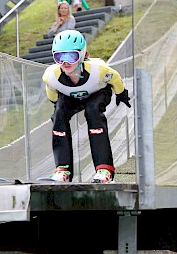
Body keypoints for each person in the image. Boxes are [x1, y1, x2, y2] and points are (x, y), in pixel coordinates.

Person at [42, 30, 131, 183]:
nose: (65, 62)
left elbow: (115, 77)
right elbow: (51, 92)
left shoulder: (99, 70)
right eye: (59, 57)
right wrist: (58, 110)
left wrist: (121, 93)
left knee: (92, 111)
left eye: (71, 56)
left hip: (97, 91)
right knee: (58, 117)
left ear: (83, 55)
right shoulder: (51, 75)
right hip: (70, 96)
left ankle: (105, 170)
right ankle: (63, 170)